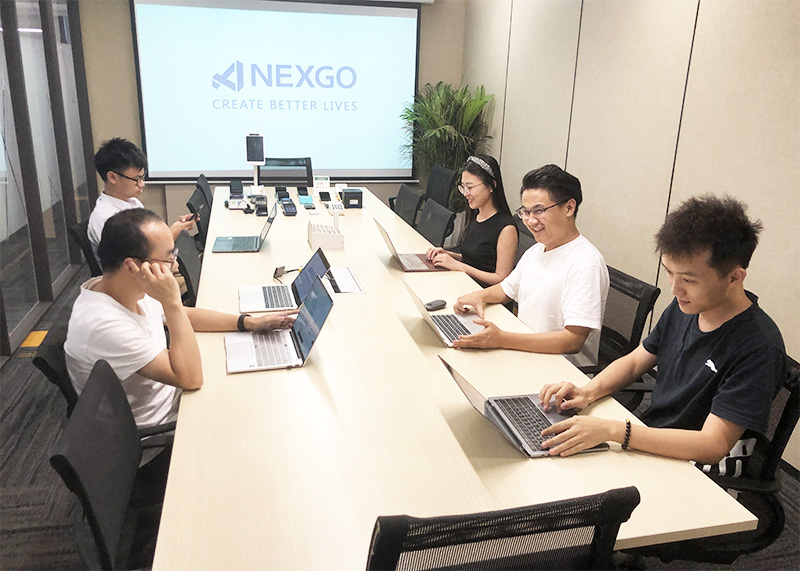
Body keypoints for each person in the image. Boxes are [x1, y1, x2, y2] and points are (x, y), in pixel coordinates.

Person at [538, 195, 785, 469]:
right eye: (669, 272)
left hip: (701, 467)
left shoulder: (758, 347)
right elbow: (636, 361)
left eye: (688, 279)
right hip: (653, 438)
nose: (675, 289)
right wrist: (587, 392)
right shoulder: (686, 306)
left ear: (734, 277)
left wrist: (613, 430)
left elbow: (712, 445)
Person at [65, 208, 297, 431]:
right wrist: (172, 301)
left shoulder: (123, 285)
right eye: (169, 259)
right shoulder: (103, 324)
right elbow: (191, 378)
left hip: (177, 395)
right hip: (161, 425)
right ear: (132, 266)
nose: (175, 265)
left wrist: (247, 322)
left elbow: (186, 315)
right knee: (264, 410)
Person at [452, 164, 609, 367]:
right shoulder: (537, 250)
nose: (530, 221)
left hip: (559, 373)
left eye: (539, 211)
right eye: (525, 212)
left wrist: (502, 339)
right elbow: (507, 289)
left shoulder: (586, 263)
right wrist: (479, 296)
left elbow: (572, 340)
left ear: (569, 207)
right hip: (525, 353)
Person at [88, 138, 196, 256]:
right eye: (136, 179)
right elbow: (136, 260)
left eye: (142, 177)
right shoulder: (105, 219)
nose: (142, 184)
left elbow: (147, 241)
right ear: (112, 177)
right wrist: (171, 234)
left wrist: (177, 229)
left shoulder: (132, 202)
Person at [425, 155, 518, 286]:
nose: (465, 193)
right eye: (463, 187)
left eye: (470, 187)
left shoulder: (507, 228)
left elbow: (502, 279)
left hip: (485, 293)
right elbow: (475, 260)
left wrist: (459, 266)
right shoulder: (476, 215)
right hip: (465, 284)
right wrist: (449, 255)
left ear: (492, 185)